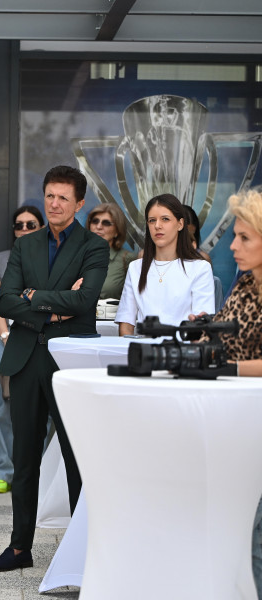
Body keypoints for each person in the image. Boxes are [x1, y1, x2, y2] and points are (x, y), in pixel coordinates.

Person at [0, 165, 109, 572]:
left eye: (62, 197)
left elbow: (85, 300)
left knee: (77, 458)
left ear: (79, 204)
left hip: (69, 361)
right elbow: (6, 302)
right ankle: (20, 548)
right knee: (25, 459)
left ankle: (81, 551)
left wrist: (34, 298)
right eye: (49, 196)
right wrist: (55, 308)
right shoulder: (26, 245)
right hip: (25, 359)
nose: (54, 204)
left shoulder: (94, 247)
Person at [188, 188, 262, 596]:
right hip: (235, 423)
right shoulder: (246, 284)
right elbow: (227, 336)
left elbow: (235, 358)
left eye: (245, 238)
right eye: (235, 236)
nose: (232, 245)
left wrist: (229, 368)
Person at [0, 206, 45, 494]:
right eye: (19, 225)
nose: (23, 230)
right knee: (4, 408)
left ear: (41, 227)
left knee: (45, 411)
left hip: (43, 341)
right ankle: (3, 471)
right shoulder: (3, 260)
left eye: (30, 225)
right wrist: (6, 335)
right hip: (8, 341)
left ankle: (43, 473)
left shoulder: (52, 258)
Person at [115, 194, 214, 336]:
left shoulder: (200, 268)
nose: (157, 226)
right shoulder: (136, 267)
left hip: (182, 352)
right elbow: (126, 322)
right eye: (152, 220)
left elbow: (202, 323)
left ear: (180, 224)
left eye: (165, 219)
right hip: (143, 352)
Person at [85, 203, 137, 299]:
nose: (99, 226)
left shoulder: (128, 259)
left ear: (117, 231)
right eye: (95, 221)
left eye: (106, 223)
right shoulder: (78, 257)